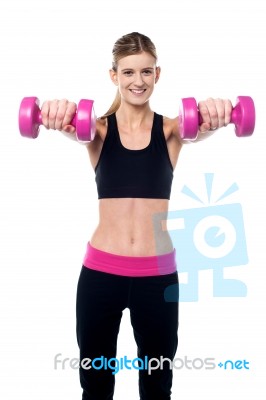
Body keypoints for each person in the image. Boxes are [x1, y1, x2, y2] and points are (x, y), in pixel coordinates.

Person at [41, 32, 232, 400]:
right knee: (95, 385)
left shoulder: (174, 130)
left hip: (157, 278)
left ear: (157, 74)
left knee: (157, 385)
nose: (138, 81)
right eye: (128, 72)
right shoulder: (94, 131)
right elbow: (60, 120)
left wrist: (221, 110)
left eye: (146, 72)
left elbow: (204, 125)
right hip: (100, 276)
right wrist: (53, 111)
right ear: (114, 75)